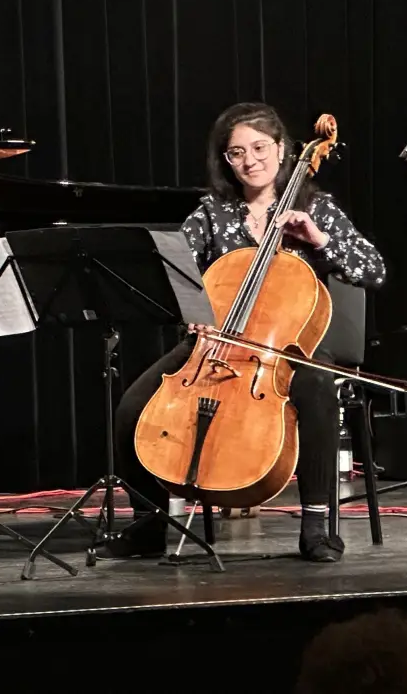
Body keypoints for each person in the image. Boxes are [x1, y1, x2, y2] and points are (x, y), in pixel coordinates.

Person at [110, 102, 386, 563]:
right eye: (236, 153)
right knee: (131, 408)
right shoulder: (212, 213)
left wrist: (319, 239)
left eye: (259, 148)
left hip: (287, 349)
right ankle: (148, 524)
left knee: (318, 388)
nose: (250, 160)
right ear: (226, 160)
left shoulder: (316, 208)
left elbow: (373, 270)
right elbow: (174, 277)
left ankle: (315, 527)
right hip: (213, 344)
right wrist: (193, 313)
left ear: (282, 149)